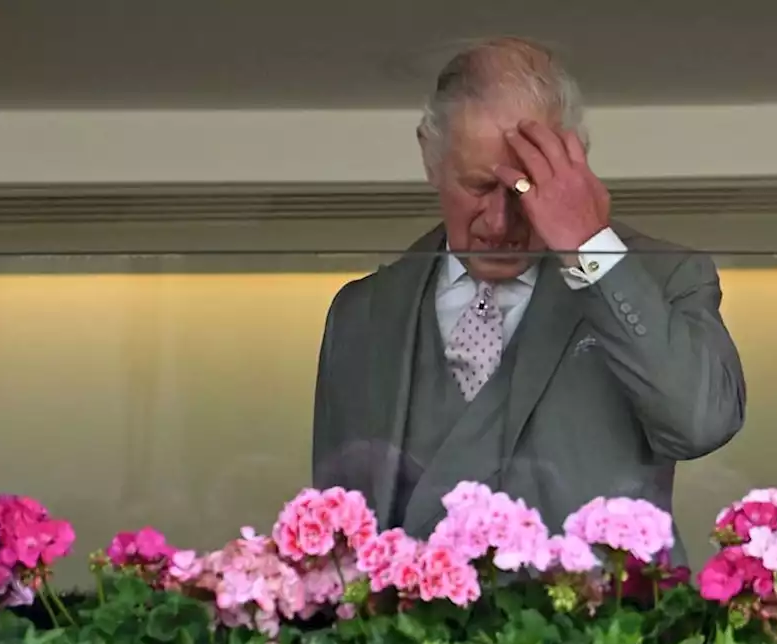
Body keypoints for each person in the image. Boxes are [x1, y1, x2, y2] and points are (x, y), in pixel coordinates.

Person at [312, 37, 745, 562]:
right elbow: (337, 521)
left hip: (600, 635)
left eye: (523, 191)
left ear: (573, 164)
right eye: (476, 187)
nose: (498, 224)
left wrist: (591, 250)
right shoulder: (362, 313)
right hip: (412, 637)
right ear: (430, 157)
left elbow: (701, 423)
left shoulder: (664, 277)